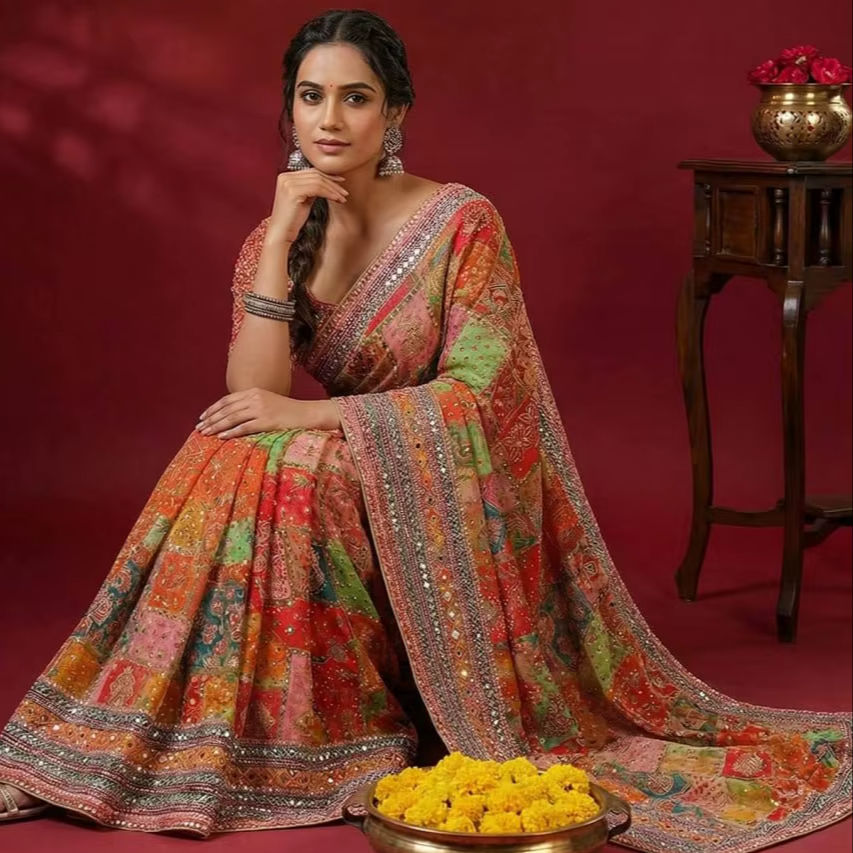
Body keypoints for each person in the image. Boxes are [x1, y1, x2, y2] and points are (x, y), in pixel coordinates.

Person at [0, 8, 849, 849]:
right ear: (288, 109)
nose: (330, 120)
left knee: (289, 464)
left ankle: (304, 735)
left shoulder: (460, 223)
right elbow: (252, 395)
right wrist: (278, 243)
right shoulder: (276, 237)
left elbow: (482, 394)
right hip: (340, 473)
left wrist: (319, 415)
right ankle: (148, 735)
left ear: (394, 112)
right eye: (310, 96)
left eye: (356, 97)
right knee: (241, 455)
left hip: (456, 491)